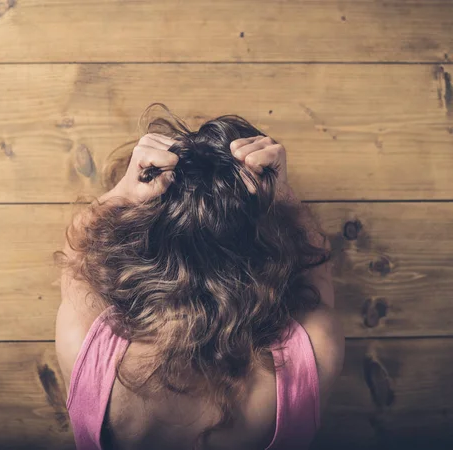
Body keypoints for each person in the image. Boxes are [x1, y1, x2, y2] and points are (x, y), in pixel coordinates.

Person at [54, 105, 345, 450]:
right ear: (269, 249)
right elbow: (318, 270)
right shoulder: (310, 357)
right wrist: (282, 197)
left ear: (138, 245)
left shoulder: (89, 352)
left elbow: (76, 257)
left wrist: (123, 194)